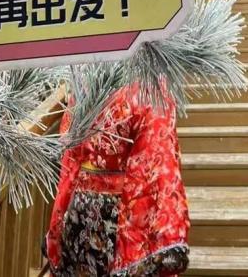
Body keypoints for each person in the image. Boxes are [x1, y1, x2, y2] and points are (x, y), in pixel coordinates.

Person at [46, 82, 189, 277]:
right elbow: (156, 159)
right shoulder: (149, 86)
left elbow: (70, 152)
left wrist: (58, 218)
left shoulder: (87, 80)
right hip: (117, 214)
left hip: (80, 209)